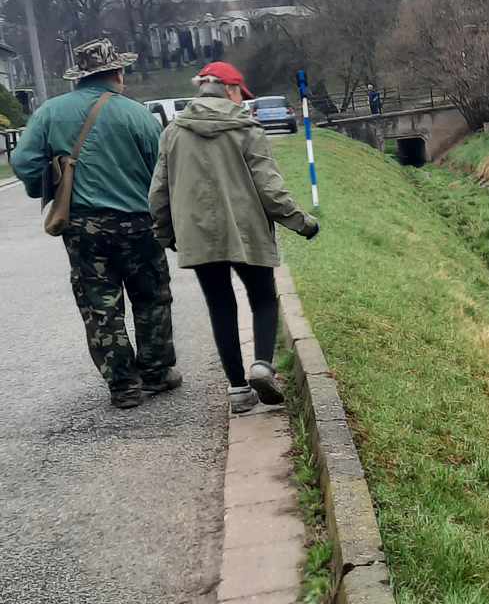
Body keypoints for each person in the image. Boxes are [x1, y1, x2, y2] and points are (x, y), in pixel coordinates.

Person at [12, 37, 179, 409]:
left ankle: (124, 386)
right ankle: (156, 373)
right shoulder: (138, 115)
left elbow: (23, 163)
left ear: (78, 77)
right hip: (139, 223)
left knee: (100, 305)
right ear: (118, 72)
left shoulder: (50, 113)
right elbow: (163, 173)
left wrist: (48, 183)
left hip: (83, 227)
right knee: (151, 297)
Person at [150, 59, 319, 414]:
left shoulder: (173, 132)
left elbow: (159, 192)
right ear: (228, 90)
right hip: (247, 230)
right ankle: (261, 365)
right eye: (240, 93)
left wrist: (165, 233)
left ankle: (239, 390)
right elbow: (270, 189)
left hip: (198, 234)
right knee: (263, 298)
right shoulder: (246, 129)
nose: (242, 100)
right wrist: (302, 223)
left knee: (220, 306)